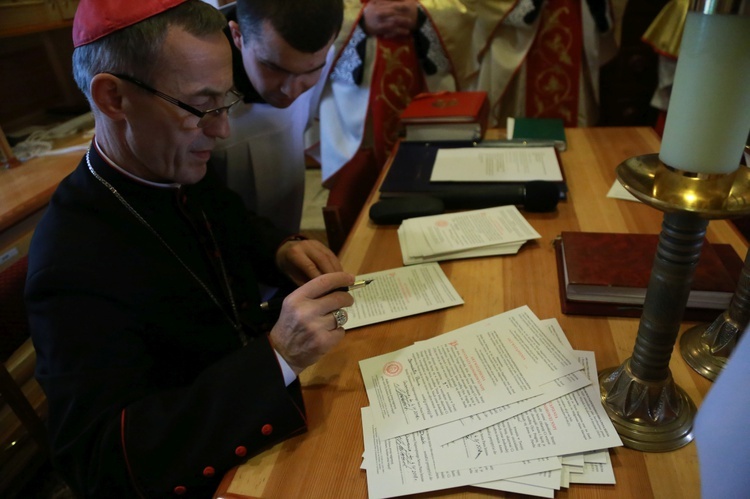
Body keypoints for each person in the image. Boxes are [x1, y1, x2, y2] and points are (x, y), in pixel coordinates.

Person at [25, 1, 354, 497]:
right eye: (201, 107)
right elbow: (102, 467)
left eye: (225, 102)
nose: (221, 131)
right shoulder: (72, 259)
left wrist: (282, 248)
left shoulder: (169, 166)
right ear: (113, 97)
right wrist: (276, 357)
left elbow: (232, 225)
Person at [315, 0, 617, 183]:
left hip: (426, 60)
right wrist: (355, 18)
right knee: (362, 183)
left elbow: (463, 9)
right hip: (361, 70)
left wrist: (423, 14)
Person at [210, 0, 343, 234]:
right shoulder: (194, 73)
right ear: (237, 35)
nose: (290, 91)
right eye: (273, 68)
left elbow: (304, 118)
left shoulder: (324, 51)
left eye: (311, 71)